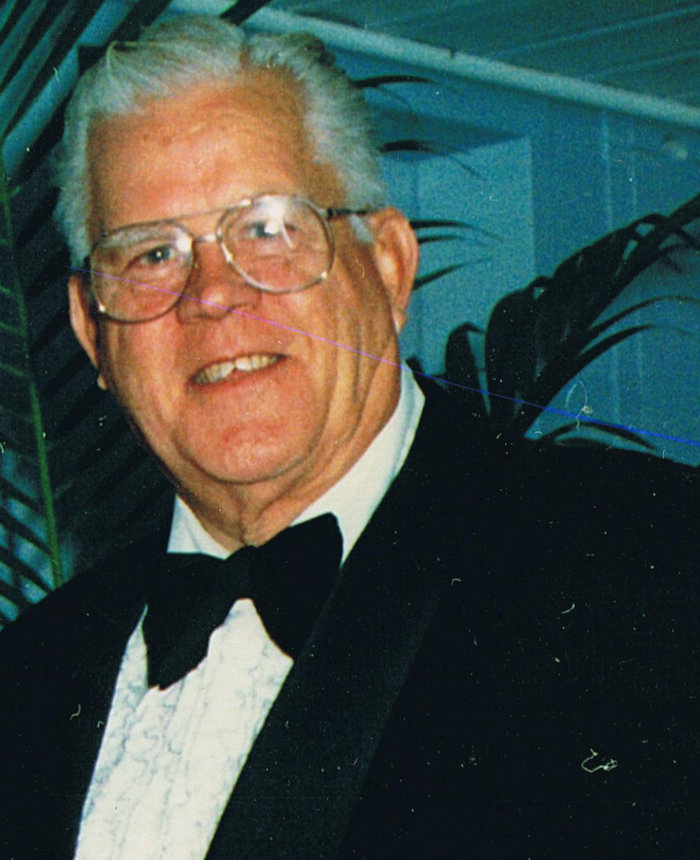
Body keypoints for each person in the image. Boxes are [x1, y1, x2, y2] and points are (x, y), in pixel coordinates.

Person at [0, 14, 697, 859]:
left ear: (389, 266)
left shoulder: (646, 567)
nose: (211, 295)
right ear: (91, 333)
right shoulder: (29, 678)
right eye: (151, 254)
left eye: (267, 229)